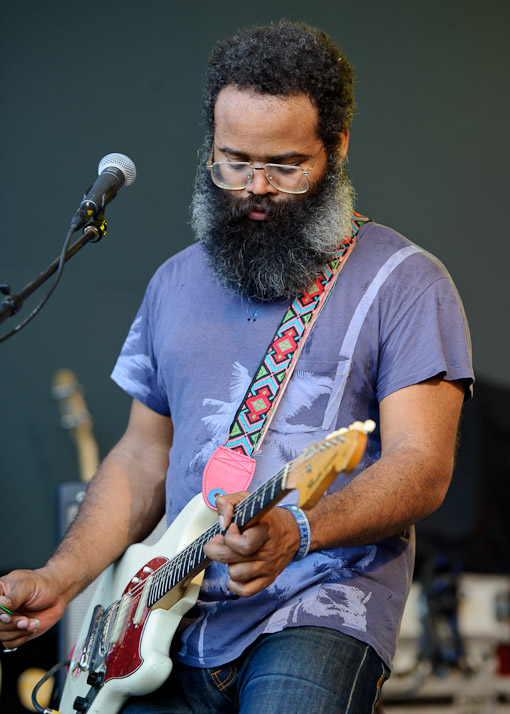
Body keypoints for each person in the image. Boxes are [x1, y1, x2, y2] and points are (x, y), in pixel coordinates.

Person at [0, 21, 473, 714]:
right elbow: (139, 459)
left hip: (320, 608)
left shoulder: (406, 283)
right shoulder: (174, 282)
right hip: (166, 616)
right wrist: (61, 575)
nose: (254, 187)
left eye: (284, 165)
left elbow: (422, 464)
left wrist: (301, 530)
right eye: (232, 161)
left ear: (336, 148)